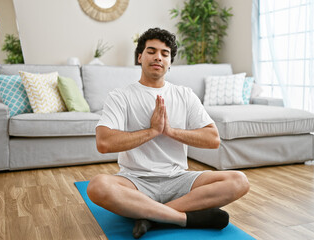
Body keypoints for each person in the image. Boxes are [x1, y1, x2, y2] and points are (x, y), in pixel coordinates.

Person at [87, 27, 250, 239]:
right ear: (140, 57)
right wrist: (152, 131)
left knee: (239, 181)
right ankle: (182, 218)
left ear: (170, 62)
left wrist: (170, 131)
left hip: (179, 178)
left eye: (165, 54)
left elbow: (213, 139)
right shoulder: (120, 96)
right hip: (135, 181)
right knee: (97, 187)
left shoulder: (185, 95)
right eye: (151, 51)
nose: (158, 57)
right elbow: (104, 143)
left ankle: (149, 216)